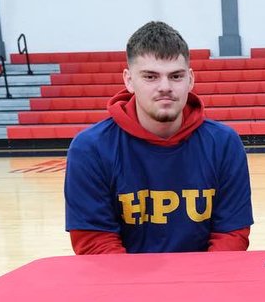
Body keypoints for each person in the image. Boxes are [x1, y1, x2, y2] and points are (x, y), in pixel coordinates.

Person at [64, 21, 253, 254]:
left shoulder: (224, 143)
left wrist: (201, 285)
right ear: (129, 80)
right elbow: (95, 242)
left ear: (190, 79)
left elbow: (231, 235)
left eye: (175, 76)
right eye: (151, 77)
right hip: (125, 285)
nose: (165, 87)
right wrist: (146, 290)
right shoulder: (90, 148)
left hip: (204, 282)